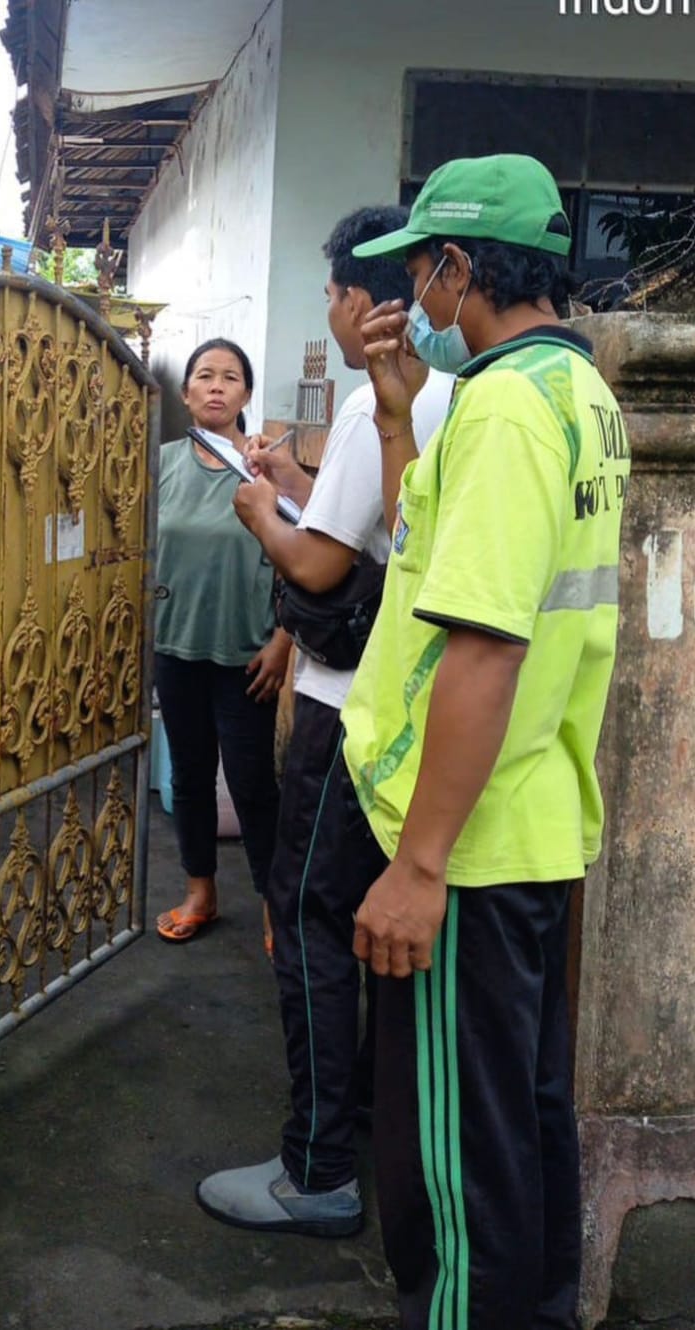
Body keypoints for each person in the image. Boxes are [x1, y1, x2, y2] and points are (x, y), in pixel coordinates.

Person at [341, 154, 625, 1329]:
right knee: (519, 1136)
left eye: (418, 273)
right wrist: (399, 411)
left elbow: (485, 646)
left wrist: (419, 866)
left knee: (455, 1176)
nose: (410, 300)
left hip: (468, 841)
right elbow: (432, 544)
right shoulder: (572, 391)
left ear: (458, 268)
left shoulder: (507, 410)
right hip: (526, 819)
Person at [195, 208, 453, 1237]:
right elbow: (386, 526)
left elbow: (320, 562)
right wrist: (299, 486)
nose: (334, 313)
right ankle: (376, 1131)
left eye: (335, 294)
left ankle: (317, 1168)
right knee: (375, 933)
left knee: (309, 919)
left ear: (361, 298)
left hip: (350, 711)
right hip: (425, 717)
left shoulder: (370, 407)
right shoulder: (465, 393)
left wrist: (264, 513)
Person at [154, 338, 291, 943]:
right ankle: (199, 891)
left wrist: (284, 640)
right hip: (176, 647)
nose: (216, 385)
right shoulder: (161, 464)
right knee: (189, 777)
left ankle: (274, 905)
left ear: (246, 395)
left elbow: (301, 557)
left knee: (252, 783)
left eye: (230, 377)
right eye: (204, 376)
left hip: (247, 655)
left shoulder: (264, 468)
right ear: (186, 394)